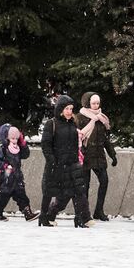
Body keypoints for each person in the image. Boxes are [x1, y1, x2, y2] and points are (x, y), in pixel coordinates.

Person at [39, 96, 90, 227]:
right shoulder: (52, 123)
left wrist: (77, 159)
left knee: (77, 192)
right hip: (56, 164)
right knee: (49, 192)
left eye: (71, 109)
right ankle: (43, 217)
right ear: (60, 109)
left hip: (72, 164)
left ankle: (79, 218)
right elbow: (46, 144)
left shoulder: (73, 123)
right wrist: (52, 161)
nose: (69, 111)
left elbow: (74, 145)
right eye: (66, 108)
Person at [75, 91, 118, 221]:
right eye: (93, 103)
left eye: (97, 103)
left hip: (99, 155)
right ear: (87, 103)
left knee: (104, 181)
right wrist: (79, 150)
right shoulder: (80, 117)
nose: (95, 105)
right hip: (85, 156)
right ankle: (84, 212)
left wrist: (112, 154)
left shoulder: (101, 118)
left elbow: (105, 139)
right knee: (85, 185)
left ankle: (99, 210)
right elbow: (76, 137)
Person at [0, 123, 37, 221]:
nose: (15, 141)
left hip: (17, 176)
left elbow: (25, 155)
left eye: (16, 139)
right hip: (7, 178)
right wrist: (5, 166)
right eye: (12, 138)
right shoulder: (3, 149)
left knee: (22, 196)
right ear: (6, 138)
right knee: (3, 196)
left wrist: (23, 144)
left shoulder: (18, 148)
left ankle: (27, 213)